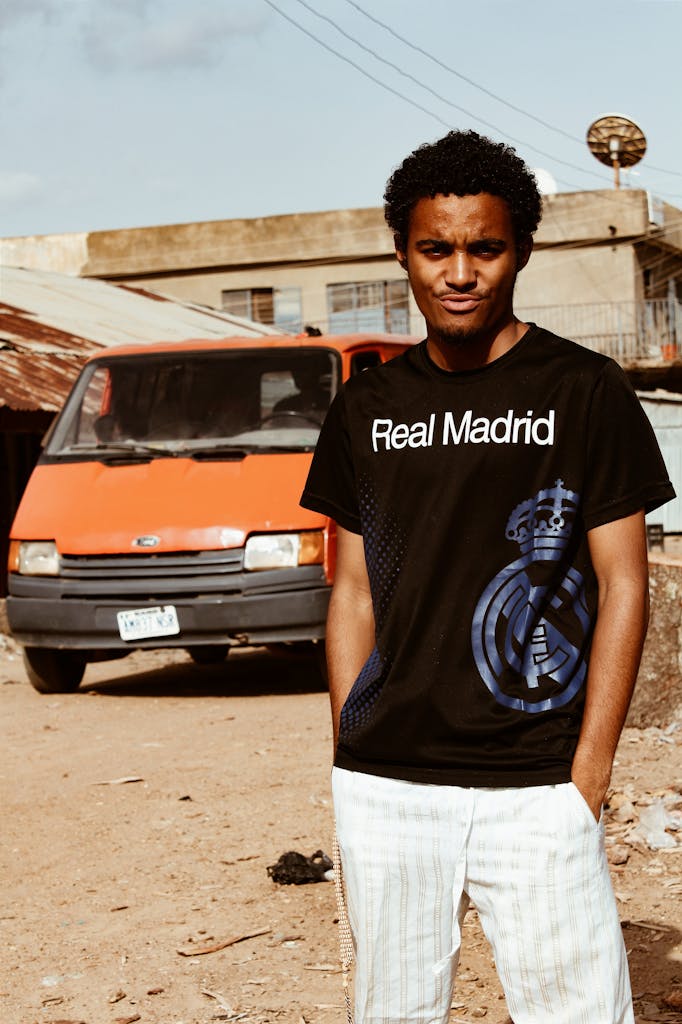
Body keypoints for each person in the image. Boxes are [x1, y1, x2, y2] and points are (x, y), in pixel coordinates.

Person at [300, 130, 675, 1024]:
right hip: (389, 787)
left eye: (485, 248)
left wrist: (588, 772)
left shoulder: (583, 391)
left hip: (539, 783)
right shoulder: (368, 406)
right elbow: (350, 591)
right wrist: (356, 737)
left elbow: (627, 584)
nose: (459, 272)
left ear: (521, 253)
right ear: (403, 253)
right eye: (436, 249)